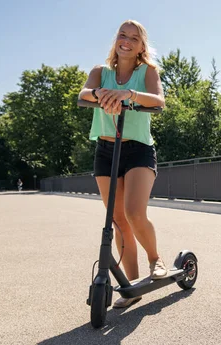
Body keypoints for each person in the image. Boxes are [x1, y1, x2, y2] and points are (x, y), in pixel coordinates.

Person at [78, 19, 166, 308]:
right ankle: (131, 286)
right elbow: (83, 95)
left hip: (139, 150)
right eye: (122, 35)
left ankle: (156, 261)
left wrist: (127, 94)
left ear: (142, 46)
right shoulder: (99, 72)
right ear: (116, 39)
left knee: (133, 213)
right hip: (105, 149)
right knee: (117, 221)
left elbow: (157, 101)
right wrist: (101, 94)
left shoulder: (148, 72)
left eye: (134, 38)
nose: (126, 41)